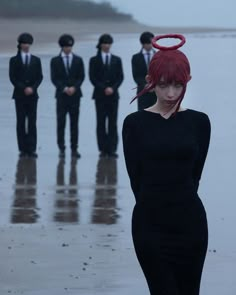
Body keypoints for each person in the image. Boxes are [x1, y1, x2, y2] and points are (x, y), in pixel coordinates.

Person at [122, 34, 211, 295]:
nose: (171, 93)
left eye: (178, 85)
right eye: (163, 85)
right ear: (150, 83)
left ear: (188, 82)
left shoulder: (199, 122)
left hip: (191, 225)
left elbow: (195, 175)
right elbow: (135, 178)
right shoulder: (134, 124)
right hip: (149, 226)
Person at [89, 34, 124, 158]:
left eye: (109, 43)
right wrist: (104, 88)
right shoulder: (94, 60)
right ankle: (103, 150)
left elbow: (120, 77)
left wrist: (112, 88)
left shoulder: (117, 59)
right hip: (100, 95)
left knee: (113, 123)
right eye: (105, 43)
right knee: (101, 122)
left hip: (114, 96)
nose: (107, 46)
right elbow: (92, 78)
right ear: (101, 45)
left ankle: (112, 149)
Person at [50, 34, 85, 159]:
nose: (68, 48)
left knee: (74, 124)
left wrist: (74, 87)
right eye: (66, 46)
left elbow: (81, 76)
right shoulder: (55, 61)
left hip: (75, 96)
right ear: (62, 47)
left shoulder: (78, 60)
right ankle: (61, 148)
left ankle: (74, 149)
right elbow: (54, 78)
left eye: (70, 46)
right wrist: (64, 88)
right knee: (61, 123)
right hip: (61, 96)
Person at [9, 33, 43, 158]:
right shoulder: (14, 60)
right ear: (20, 45)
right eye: (24, 43)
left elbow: (40, 77)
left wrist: (32, 88)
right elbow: (12, 78)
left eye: (28, 43)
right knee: (21, 122)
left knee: (32, 122)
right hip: (19, 95)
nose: (26, 45)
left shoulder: (36, 60)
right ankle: (23, 149)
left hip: (33, 95)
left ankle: (32, 149)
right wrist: (24, 88)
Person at [131, 31, 156, 110]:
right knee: (142, 117)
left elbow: (162, 74)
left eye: (152, 42)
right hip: (142, 92)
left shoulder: (159, 56)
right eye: (148, 43)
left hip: (157, 92)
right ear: (143, 43)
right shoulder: (136, 57)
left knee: (157, 118)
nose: (150, 45)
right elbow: (136, 76)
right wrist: (145, 85)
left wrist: (154, 85)